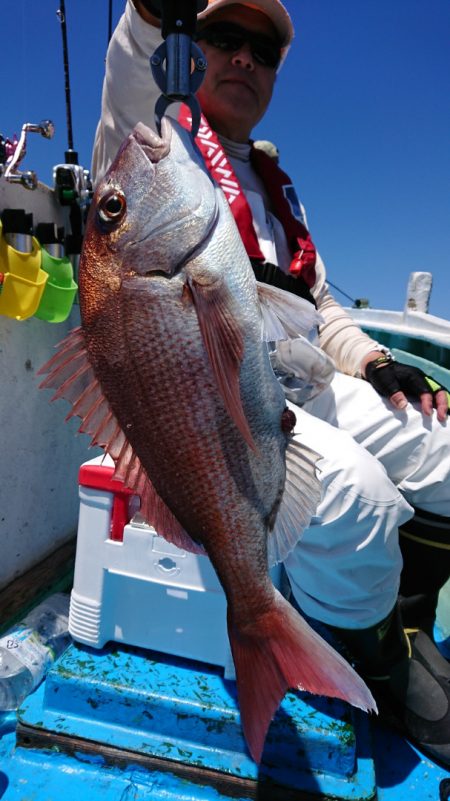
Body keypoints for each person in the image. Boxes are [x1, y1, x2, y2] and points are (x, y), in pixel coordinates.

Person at [92, 0, 450, 767]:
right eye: (226, 37)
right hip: (228, 407)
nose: (246, 59)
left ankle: (407, 625)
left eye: (265, 50)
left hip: (301, 375)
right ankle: (373, 662)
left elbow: (316, 305)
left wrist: (374, 361)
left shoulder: (274, 182)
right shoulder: (160, 144)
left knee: (444, 452)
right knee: (360, 502)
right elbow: (129, 86)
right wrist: (150, 18)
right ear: (192, 45)